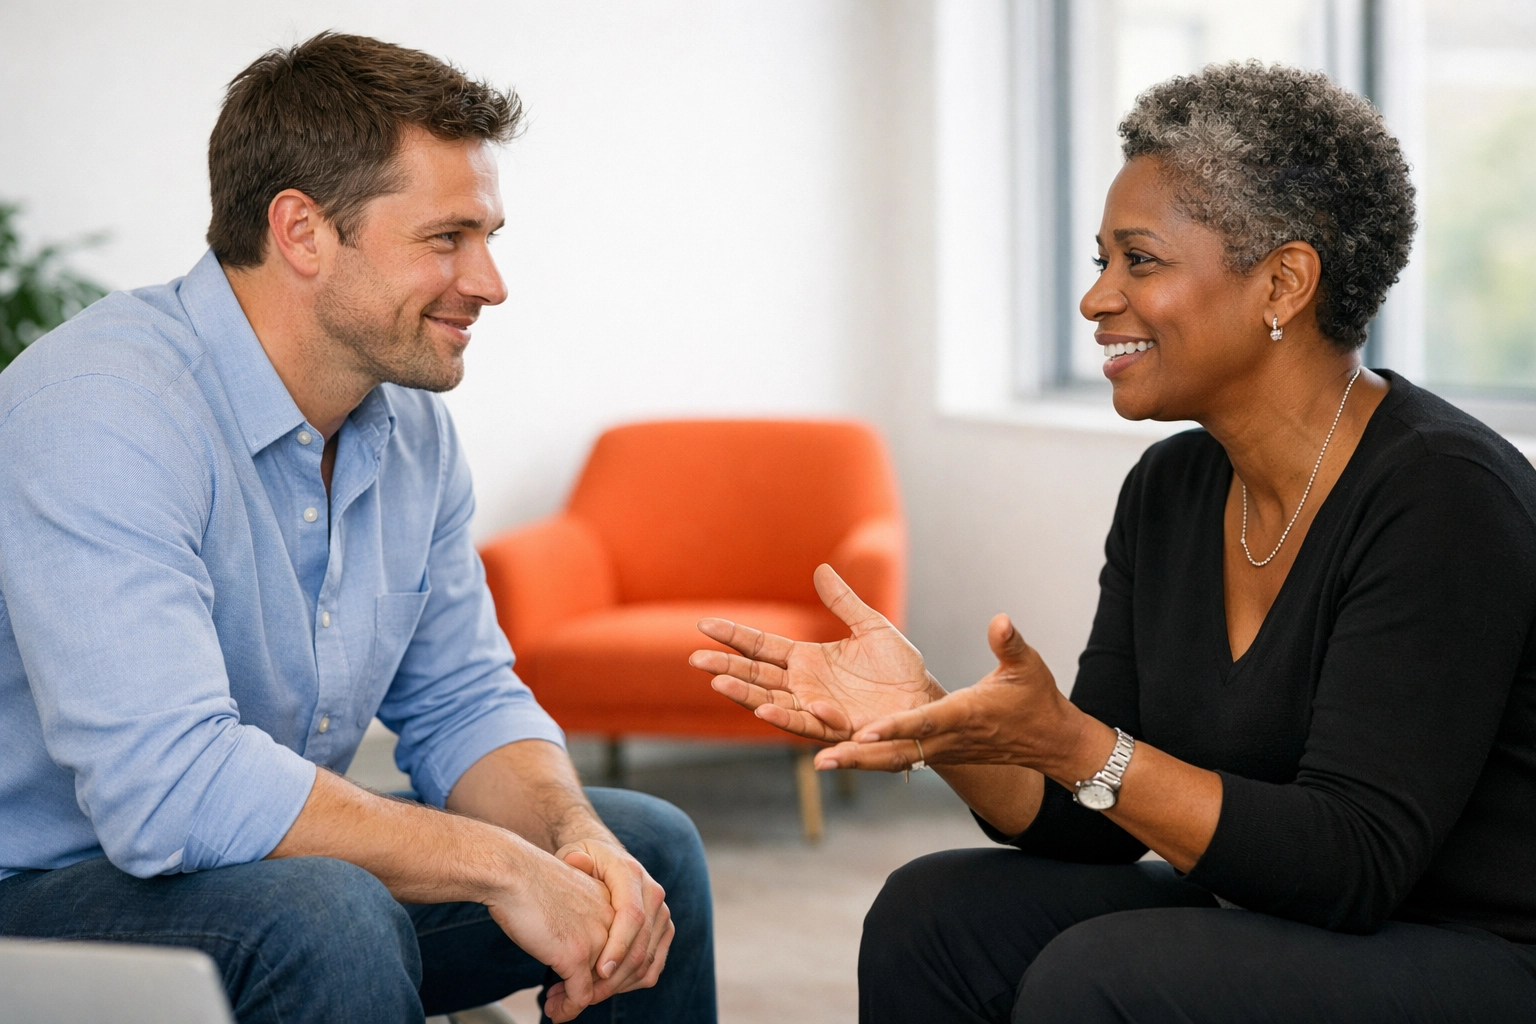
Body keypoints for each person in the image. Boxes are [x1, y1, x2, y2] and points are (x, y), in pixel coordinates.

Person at [692, 62, 1536, 1022]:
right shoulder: (1170, 492)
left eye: (1138, 261)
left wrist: (1077, 743)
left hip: (1472, 951)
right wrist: (937, 721)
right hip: (1281, 908)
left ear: (1284, 283)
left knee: (1107, 973)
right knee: (933, 912)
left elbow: (1351, 862)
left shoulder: (1445, 497)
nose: (1096, 300)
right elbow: (1092, 819)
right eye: (1101, 261)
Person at [0, 33, 715, 1024]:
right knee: (327, 913)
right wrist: (502, 867)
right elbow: (169, 789)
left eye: (489, 237)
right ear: (302, 231)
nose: (490, 281)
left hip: (248, 875)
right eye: (447, 238)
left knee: (645, 854)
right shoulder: (101, 409)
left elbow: (464, 701)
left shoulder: (410, 429)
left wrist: (570, 834)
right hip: (36, 891)